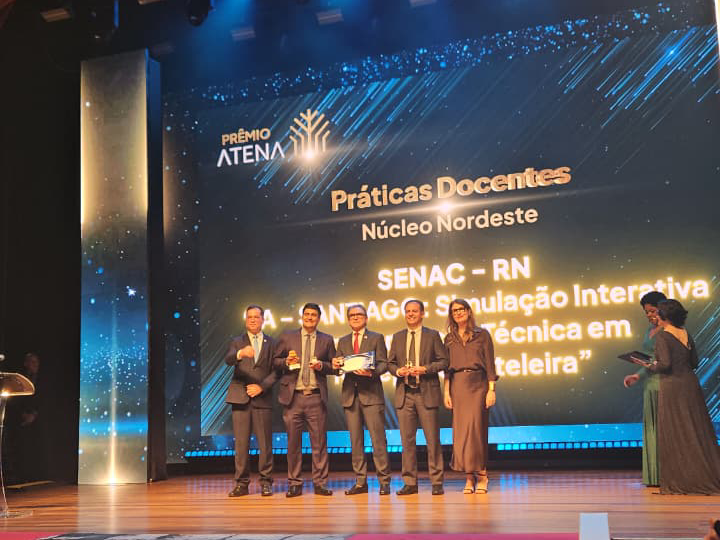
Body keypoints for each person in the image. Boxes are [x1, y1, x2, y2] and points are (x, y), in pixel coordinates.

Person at [645, 299, 720, 494]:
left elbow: (664, 365)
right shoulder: (685, 333)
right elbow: (694, 362)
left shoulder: (663, 336)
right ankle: (704, 476)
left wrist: (649, 365)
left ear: (664, 316)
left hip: (672, 387)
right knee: (696, 430)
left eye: (657, 313)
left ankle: (683, 481)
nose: (655, 316)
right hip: (690, 384)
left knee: (675, 432)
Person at [273, 302, 336, 497]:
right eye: (307, 314)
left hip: (316, 397)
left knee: (319, 444)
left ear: (319, 318)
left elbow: (335, 367)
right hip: (293, 398)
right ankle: (295, 483)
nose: (310, 318)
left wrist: (321, 366)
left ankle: (320, 483)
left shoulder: (327, 339)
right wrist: (286, 362)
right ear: (302, 316)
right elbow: (274, 361)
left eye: (313, 315)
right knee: (293, 444)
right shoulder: (287, 336)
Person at [387, 299, 449, 495]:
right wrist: (398, 371)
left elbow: (444, 361)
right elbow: (390, 364)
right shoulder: (397, 337)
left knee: (432, 440)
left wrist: (425, 369)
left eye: (414, 311)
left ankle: (436, 482)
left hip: (426, 393)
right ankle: (410, 483)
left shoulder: (432, 335)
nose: (411, 314)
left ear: (422, 313)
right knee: (407, 442)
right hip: (405, 394)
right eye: (408, 311)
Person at [332, 304, 392, 496]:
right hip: (350, 396)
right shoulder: (343, 341)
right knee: (355, 441)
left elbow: (384, 364)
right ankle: (360, 482)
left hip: (371, 394)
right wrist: (336, 365)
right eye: (352, 315)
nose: (355, 317)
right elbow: (338, 368)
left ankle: (384, 481)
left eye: (359, 314)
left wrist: (370, 373)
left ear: (366, 318)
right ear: (348, 319)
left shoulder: (376, 337)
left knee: (378, 440)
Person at [443, 298, 497, 494]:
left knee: (476, 431)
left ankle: (482, 475)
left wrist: (491, 389)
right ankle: (468, 477)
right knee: (462, 434)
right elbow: (447, 369)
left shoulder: (482, 335)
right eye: (454, 310)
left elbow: (490, 364)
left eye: (461, 309)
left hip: (478, 385)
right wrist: (446, 392)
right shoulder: (449, 338)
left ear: (468, 311)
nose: (458, 313)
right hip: (458, 386)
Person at [224, 304, 278, 497]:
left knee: (265, 444)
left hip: (262, 397)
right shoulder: (237, 341)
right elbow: (228, 359)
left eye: (256, 317)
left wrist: (262, 387)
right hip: (240, 398)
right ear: (246, 320)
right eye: (250, 317)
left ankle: (266, 482)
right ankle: (241, 484)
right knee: (241, 445)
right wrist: (240, 353)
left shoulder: (272, 343)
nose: (253, 320)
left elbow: (277, 371)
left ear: (263, 319)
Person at [622, 290, 666, 487]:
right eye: (646, 312)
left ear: (663, 308)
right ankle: (654, 476)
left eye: (652, 311)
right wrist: (637, 375)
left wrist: (646, 368)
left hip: (665, 382)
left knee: (664, 428)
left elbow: (664, 360)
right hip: (650, 382)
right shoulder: (650, 330)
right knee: (651, 429)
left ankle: (668, 473)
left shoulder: (671, 329)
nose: (649, 315)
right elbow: (650, 360)